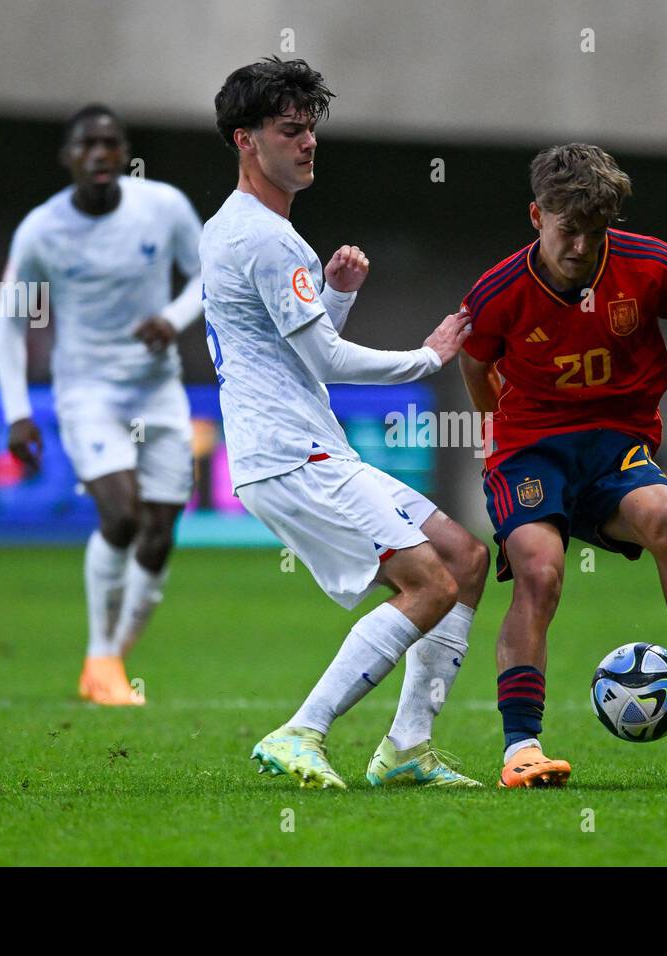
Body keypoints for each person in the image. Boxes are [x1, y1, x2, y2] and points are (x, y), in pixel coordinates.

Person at [202, 57, 488, 790]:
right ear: (245, 140)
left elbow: (299, 355)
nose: (307, 144)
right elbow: (326, 361)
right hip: (292, 456)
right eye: (290, 131)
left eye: (311, 131)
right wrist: (428, 358)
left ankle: (405, 749)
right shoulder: (265, 238)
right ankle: (303, 730)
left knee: (464, 559)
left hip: (305, 447)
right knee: (428, 586)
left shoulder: (241, 230)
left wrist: (335, 294)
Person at [459, 144, 667, 787]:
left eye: (594, 231)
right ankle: (521, 750)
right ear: (535, 217)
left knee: (665, 516)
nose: (580, 246)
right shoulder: (498, 292)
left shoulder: (652, 265)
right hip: (532, 449)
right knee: (541, 573)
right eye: (566, 229)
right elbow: (473, 362)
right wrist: (501, 435)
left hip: (618, 444)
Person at [0, 104, 204, 706]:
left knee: (160, 535)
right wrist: (16, 411)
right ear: (70, 159)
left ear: (125, 152)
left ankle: (112, 658)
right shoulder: (42, 230)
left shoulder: (162, 207)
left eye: (112, 143)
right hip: (87, 392)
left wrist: (173, 318)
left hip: (158, 389)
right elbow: (9, 322)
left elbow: (208, 274)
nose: (102, 153)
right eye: (89, 144)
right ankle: (101, 656)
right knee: (121, 516)